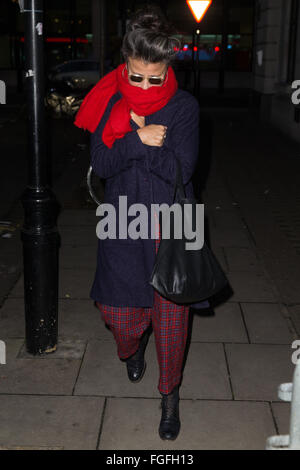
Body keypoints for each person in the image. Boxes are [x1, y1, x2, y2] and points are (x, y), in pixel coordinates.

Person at [74, 5, 210, 441]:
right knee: (118, 314)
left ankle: (169, 397)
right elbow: (103, 161)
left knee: (171, 325)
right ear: (125, 64)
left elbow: (181, 170)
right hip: (122, 221)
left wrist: (140, 142)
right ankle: (131, 350)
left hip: (172, 223)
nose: (145, 85)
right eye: (136, 76)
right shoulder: (109, 101)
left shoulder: (184, 107)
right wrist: (138, 138)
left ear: (168, 68)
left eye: (155, 77)